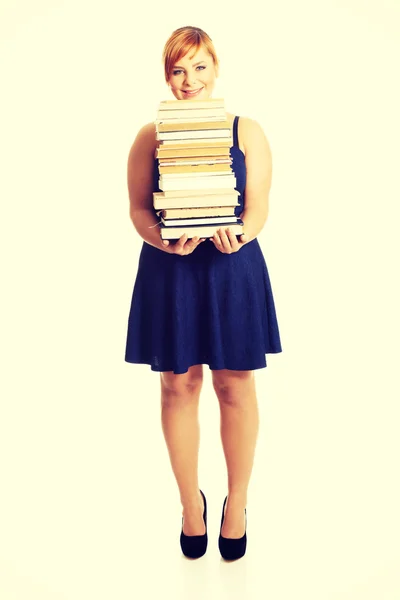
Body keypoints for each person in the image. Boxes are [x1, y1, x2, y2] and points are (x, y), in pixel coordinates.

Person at [124, 25, 282, 560]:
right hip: (172, 269)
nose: (188, 80)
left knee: (235, 385)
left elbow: (258, 204)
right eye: (177, 69)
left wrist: (243, 231)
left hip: (231, 265)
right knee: (177, 386)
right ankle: (191, 506)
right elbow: (140, 211)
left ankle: (236, 504)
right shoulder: (151, 135)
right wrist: (163, 243)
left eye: (198, 67)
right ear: (166, 75)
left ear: (216, 69)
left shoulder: (247, 131)